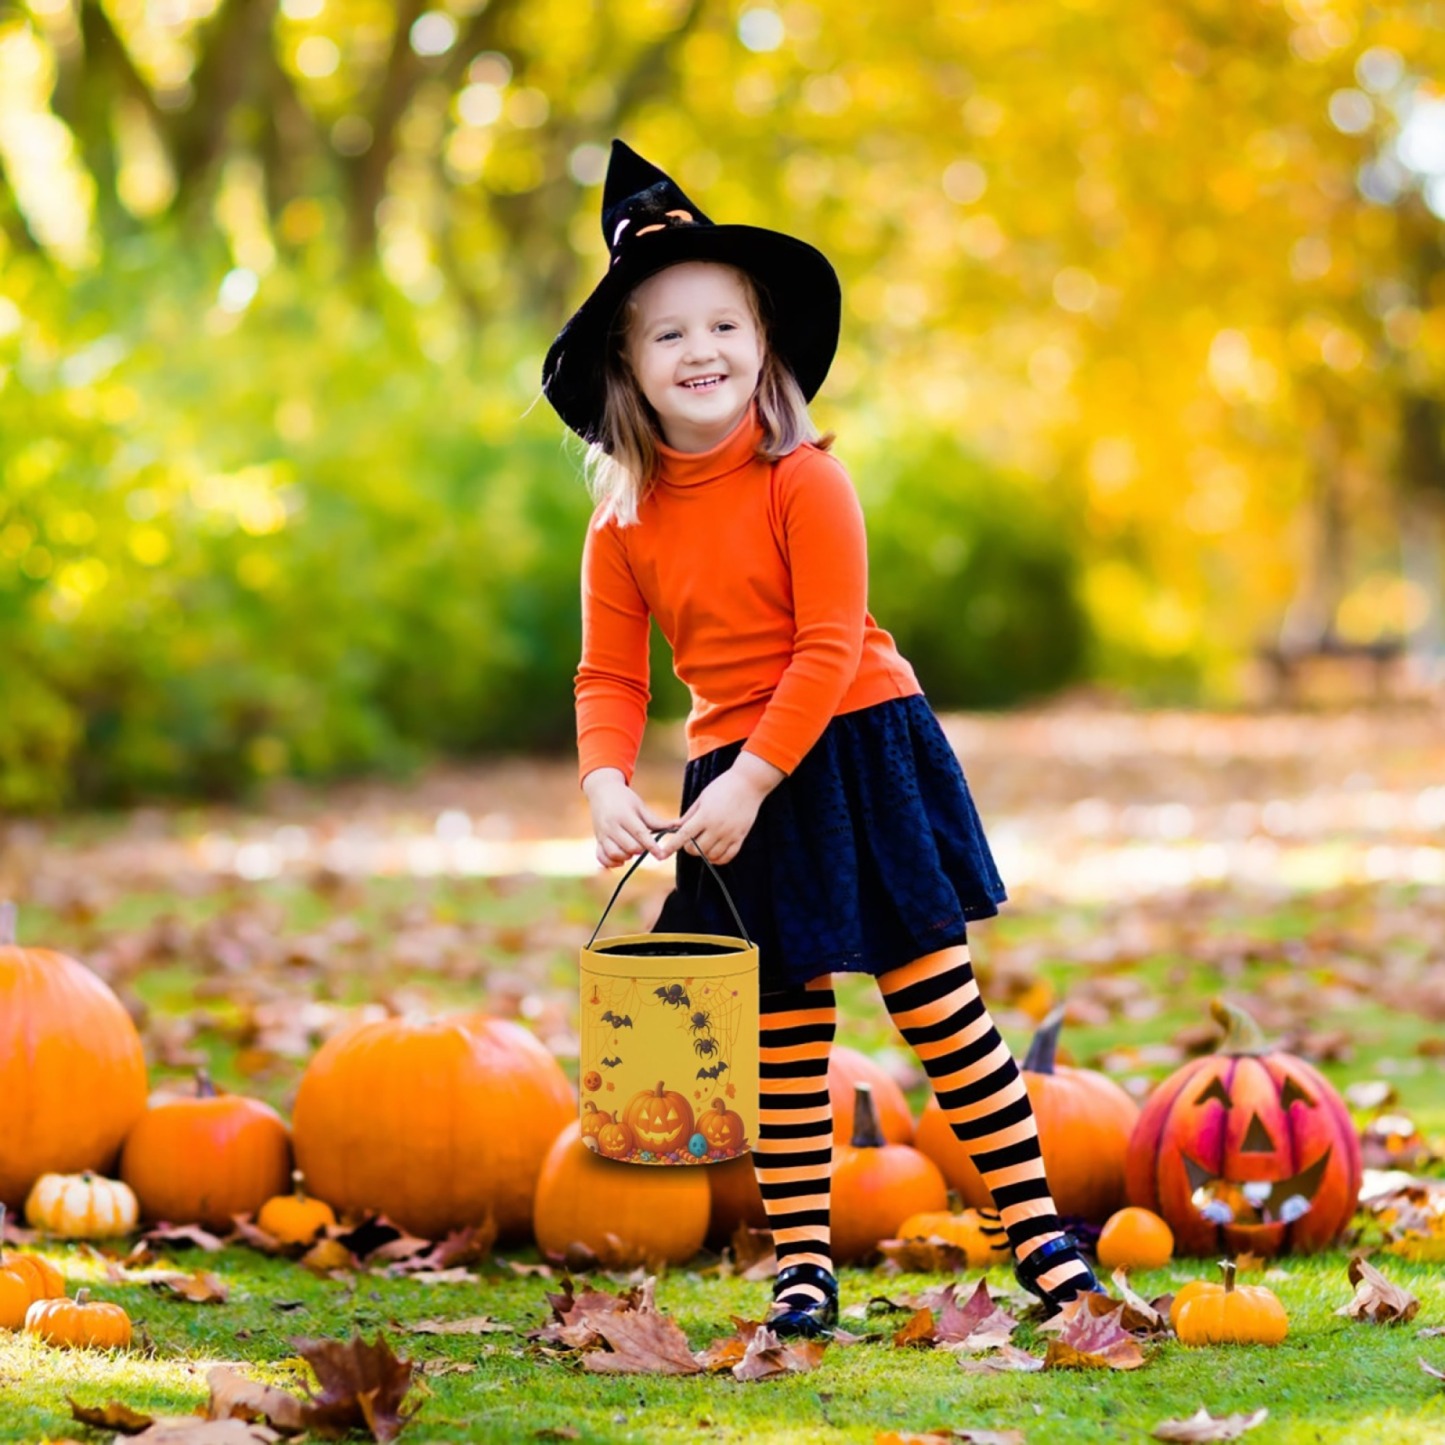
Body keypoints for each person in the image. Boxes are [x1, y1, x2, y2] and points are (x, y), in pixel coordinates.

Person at [542, 139, 1104, 1340]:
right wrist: (602, 781)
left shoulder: (805, 481)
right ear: (626, 369)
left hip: (849, 747)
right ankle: (804, 1261)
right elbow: (607, 673)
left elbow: (825, 643)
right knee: (782, 1029)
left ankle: (1039, 1236)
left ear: (763, 345)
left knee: (935, 1005)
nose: (698, 351)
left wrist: (754, 776)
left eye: (721, 327)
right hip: (731, 778)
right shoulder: (624, 524)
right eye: (666, 334)